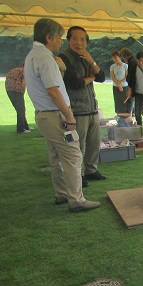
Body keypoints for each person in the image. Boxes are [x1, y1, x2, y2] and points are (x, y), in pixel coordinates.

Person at [24, 18, 100, 212]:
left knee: (56, 156)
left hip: (45, 115)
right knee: (73, 154)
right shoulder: (45, 57)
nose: (61, 41)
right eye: (59, 37)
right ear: (49, 37)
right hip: (55, 115)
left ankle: (62, 194)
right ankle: (76, 200)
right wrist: (69, 115)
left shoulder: (35, 55)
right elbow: (54, 91)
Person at [59, 26, 107, 188]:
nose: (78, 42)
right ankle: (77, 174)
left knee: (94, 142)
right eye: (75, 38)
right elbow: (74, 82)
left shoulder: (86, 57)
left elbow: (101, 77)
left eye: (82, 39)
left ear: (86, 42)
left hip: (92, 108)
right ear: (69, 40)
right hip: (77, 110)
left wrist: (91, 61)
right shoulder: (63, 57)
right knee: (77, 145)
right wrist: (91, 77)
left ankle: (91, 171)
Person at [119, 47, 143, 122]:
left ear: (125, 56)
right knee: (137, 103)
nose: (124, 59)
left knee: (131, 102)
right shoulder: (132, 60)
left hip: (135, 86)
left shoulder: (132, 61)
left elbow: (132, 76)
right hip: (136, 85)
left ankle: (128, 119)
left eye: (123, 57)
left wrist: (130, 88)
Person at [5, 66, 31, 134]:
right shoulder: (25, 71)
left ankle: (26, 126)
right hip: (17, 89)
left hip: (8, 89)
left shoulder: (16, 69)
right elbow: (23, 84)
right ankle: (21, 129)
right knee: (21, 109)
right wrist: (22, 93)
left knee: (19, 109)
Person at [110, 50, 129, 115]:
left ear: (119, 57)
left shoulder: (125, 66)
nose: (115, 59)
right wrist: (118, 85)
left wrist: (120, 84)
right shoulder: (112, 66)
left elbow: (127, 76)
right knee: (117, 101)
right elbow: (112, 77)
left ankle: (126, 115)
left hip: (124, 86)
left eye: (116, 57)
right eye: (113, 58)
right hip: (116, 86)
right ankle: (119, 115)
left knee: (125, 101)